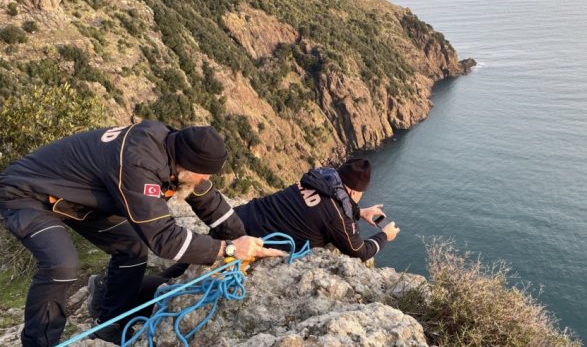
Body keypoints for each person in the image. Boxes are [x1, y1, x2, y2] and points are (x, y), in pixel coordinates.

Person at [0, 120, 282, 346]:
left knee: (132, 247)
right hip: (27, 193)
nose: (205, 180)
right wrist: (228, 250)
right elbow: (164, 239)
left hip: (76, 201)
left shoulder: (176, 152)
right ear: (188, 165)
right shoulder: (139, 163)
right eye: (204, 174)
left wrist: (243, 241)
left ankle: (109, 323)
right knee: (61, 263)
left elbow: (210, 202)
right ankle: (38, 342)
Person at [234, 157, 400, 261]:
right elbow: (360, 251)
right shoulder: (335, 217)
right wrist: (385, 235)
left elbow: (326, 203)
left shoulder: (316, 179)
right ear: (352, 192)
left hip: (236, 217)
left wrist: (360, 212)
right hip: (243, 242)